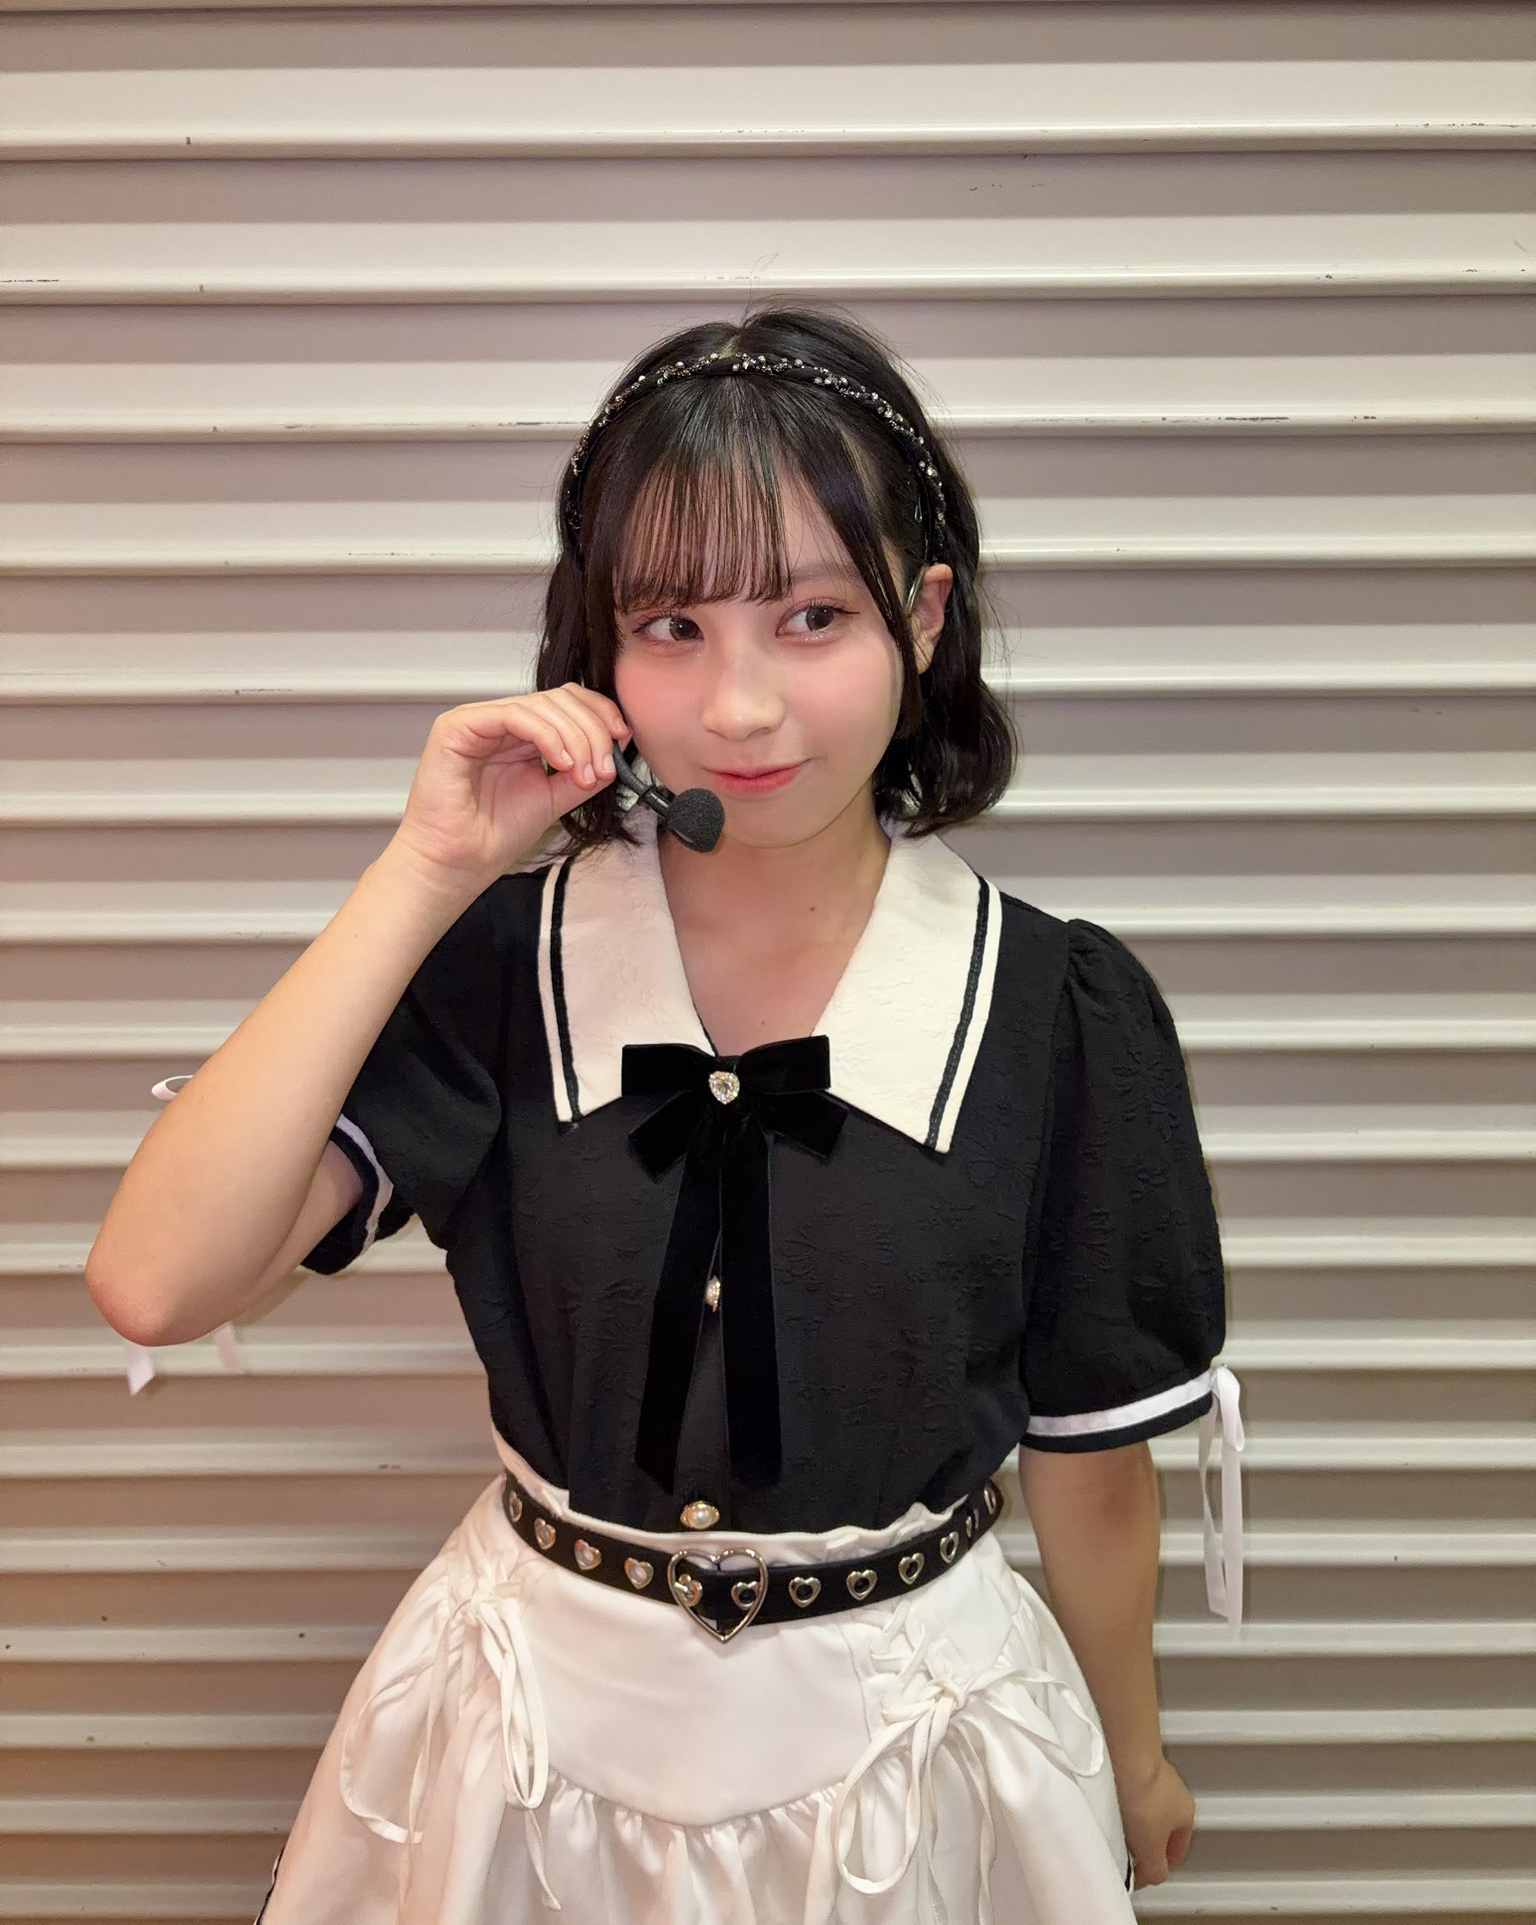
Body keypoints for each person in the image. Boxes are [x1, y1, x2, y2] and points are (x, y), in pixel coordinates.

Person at [93, 303, 1245, 1923]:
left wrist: (1129, 1754)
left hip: (922, 1757)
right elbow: (156, 1281)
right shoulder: (505, 966)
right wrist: (426, 872)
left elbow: (1092, 1463)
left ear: (923, 619)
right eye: (674, 626)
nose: (743, 706)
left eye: (812, 617)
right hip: (525, 1756)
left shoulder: (1058, 1011)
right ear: (601, 651)